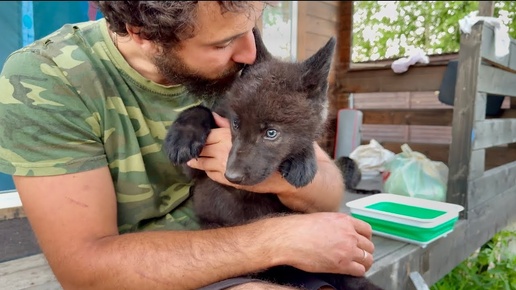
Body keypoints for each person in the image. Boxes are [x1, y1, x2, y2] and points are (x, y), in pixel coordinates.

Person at [0, 1, 375, 289]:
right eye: (224, 41)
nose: (249, 55)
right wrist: (279, 239)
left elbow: (325, 189)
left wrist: (274, 179)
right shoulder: (47, 80)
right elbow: (87, 272)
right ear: (142, 34)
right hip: (158, 266)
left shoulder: (241, 60)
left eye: (251, 26)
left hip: (266, 235)